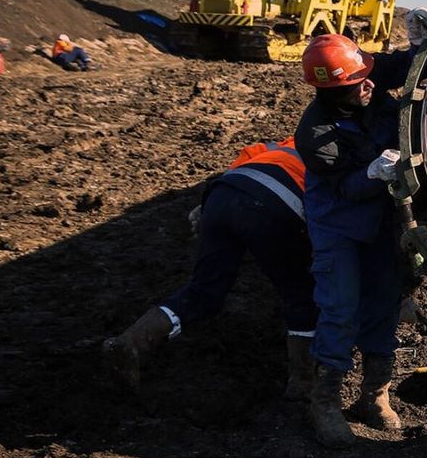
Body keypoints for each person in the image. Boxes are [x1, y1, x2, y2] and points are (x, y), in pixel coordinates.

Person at [103, 137, 318, 395]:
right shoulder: (338, 149)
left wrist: (207, 208)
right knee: (300, 296)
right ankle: (303, 385)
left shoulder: (287, 142)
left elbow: (245, 160)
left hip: (223, 193)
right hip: (273, 205)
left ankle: (133, 342)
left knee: (204, 292)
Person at [294, 32, 415, 448]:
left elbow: (402, 66)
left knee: (384, 301)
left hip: (382, 221)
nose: (368, 85)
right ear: (331, 92)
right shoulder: (316, 134)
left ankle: (374, 395)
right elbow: (344, 189)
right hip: (339, 225)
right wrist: (371, 174)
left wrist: (426, 40)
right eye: (354, 85)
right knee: (340, 308)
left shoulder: (364, 75)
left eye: (367, 77)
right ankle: (324, 402)